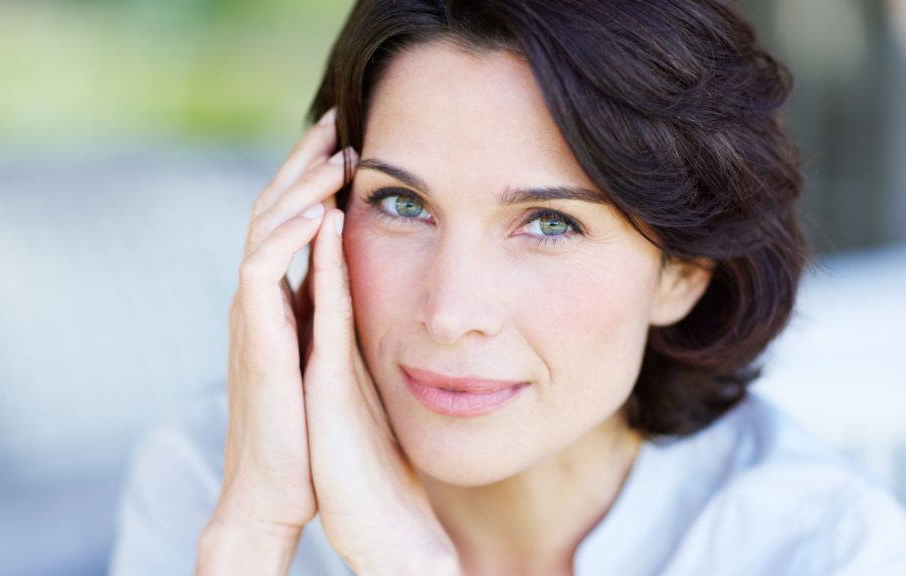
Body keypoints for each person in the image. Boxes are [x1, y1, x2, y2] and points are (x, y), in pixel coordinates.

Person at [109, 1, 906, 575]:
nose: (451, 312)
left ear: (683, 272)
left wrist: (404, 564)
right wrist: (252, 535)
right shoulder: (217, 477)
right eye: (400, 203)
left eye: (551, 224)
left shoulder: (820, 549)